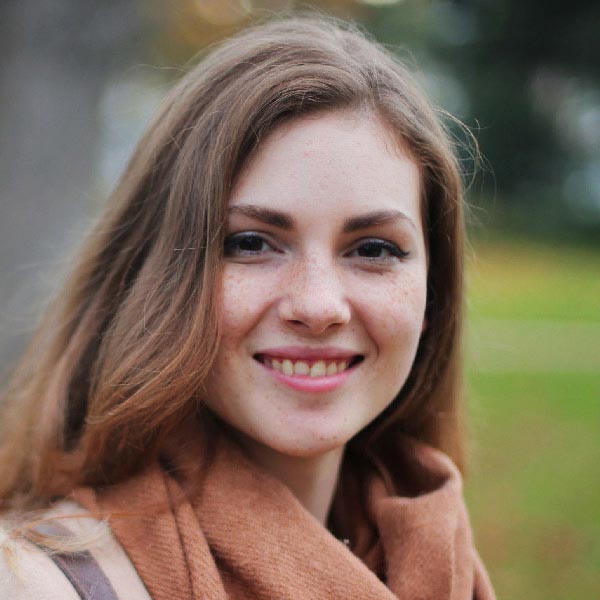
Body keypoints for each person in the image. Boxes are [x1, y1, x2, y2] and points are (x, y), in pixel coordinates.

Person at [0, 15, 495, 600]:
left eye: (373, 249)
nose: (318, 305)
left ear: (433, 293)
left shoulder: (441, 562)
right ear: (154, 278)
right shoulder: (39, 583)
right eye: (252, 242)